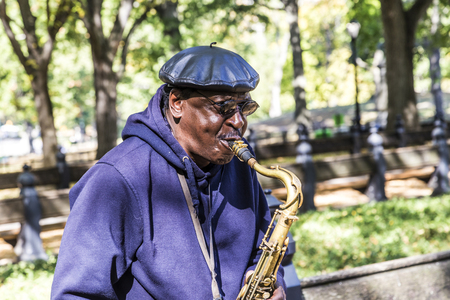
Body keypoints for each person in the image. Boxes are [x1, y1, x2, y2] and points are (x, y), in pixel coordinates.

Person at [51, 45, 286, 300]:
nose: (239, 121)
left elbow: (263, 247)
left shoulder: (238, 161)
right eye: (224, 107)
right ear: (177, 103)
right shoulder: (116, 178)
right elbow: (74, 294)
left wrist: (266, 279)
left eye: (245, 107)